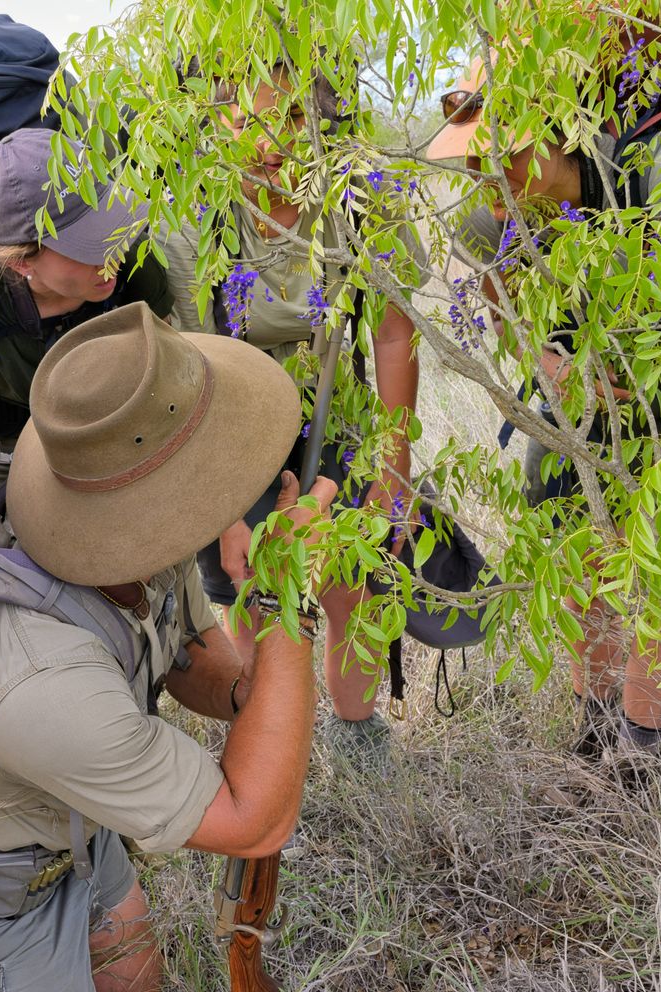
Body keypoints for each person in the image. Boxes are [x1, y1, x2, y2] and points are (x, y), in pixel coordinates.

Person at [0, 302, 335, 992]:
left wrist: (256, 645)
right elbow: (256, 818)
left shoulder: (123, 539)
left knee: (137, 982)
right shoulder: (45, 681)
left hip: (69, 829)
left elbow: (191, 655)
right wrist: (291, 604)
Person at [428, 52, 661, 763]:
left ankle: (647, 751)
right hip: (579, 407)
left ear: (556, 133)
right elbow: (499, 302)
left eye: (502, 158)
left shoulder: (660, 182)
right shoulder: (488, 213)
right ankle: (595, 735)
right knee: (573, 551)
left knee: (657, 562)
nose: (487, 180)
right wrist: (552, 364)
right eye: (475, 164)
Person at [156, 60, 422, 747]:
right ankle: (267, 750)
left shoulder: (362, 193)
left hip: (341, 416)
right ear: (215, 121)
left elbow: (394, 331)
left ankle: (359, 739)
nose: (273, 143)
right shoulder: (192, 218)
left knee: (354, 589)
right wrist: (223, 513)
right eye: (249, 121)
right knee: (256, 601)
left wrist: (394, 469)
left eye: (293, 120)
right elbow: (195, 375)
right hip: (229, 434)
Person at [0, 127, 176, 447]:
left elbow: (172, 365)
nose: (112, 252)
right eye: (88, 245)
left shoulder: (133, 258)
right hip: (7, 441)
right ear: (22, 262)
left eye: (111, 223)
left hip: (123, 425)